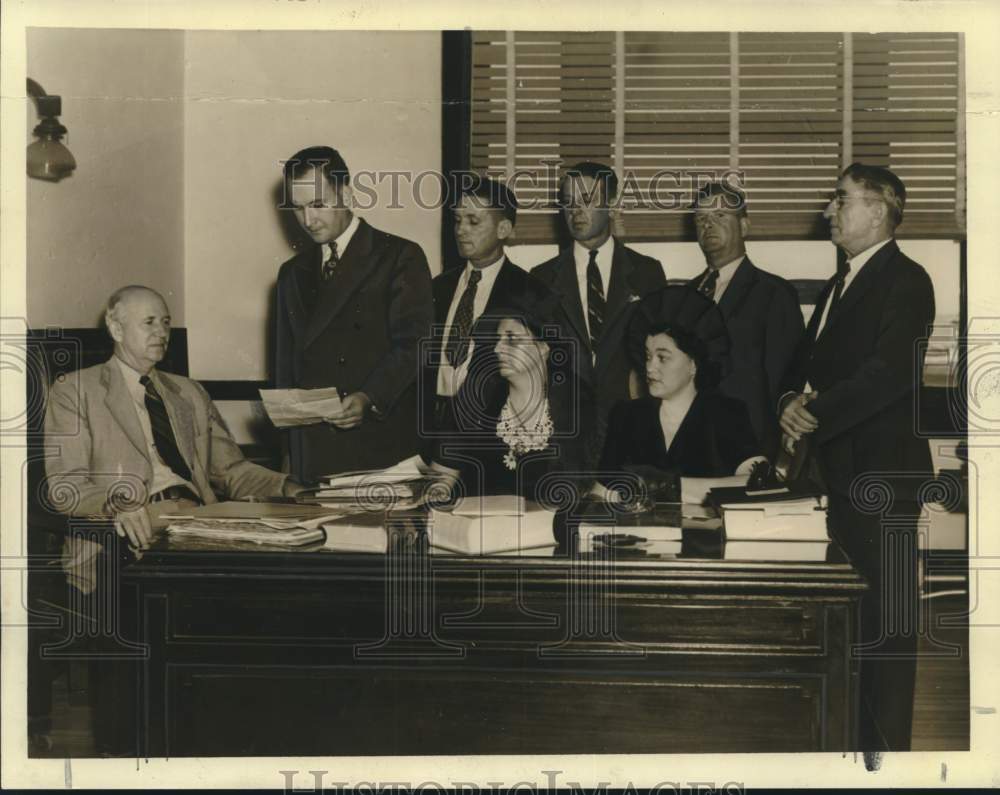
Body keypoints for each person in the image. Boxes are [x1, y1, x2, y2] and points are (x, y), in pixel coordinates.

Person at [42, 285, 302, 753]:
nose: (161, 331)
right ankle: (135, 742)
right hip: (124, 530)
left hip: (198, 521)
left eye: (165, 322)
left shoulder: (188, 392)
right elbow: (65, 487)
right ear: (116, 328)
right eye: (149, 323)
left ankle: (231, 734)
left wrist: (290, 487)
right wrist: (122, 502)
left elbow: (232, 471)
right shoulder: (75, 391)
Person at [779, 163, 936, 751]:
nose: (829, 210)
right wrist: (789, 402)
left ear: (879, 209)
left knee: (887, 631)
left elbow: (888, 374)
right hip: (834, 479)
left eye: (840, 199)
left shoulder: (907, 280)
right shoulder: (838, 283)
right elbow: (803, 370)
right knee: (846, 624)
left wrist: (812, 412)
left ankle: (885, 759)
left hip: (883, 482)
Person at [275, 145, 433, 481]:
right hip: (312, 455)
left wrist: (368, 396)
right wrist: (288, 458)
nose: (308, 220)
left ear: (346, 192)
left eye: (318, 204)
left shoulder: (399, 256)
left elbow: (414, 345)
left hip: (378, 447)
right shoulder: (291, 273)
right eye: (298, 208)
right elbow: (285, 369)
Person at [532, 161, 666, 464]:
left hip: (629, 434)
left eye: (587, 201)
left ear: (613, 205)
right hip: (564, 440)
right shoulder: (541, 279)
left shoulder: (646, 273)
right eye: (568, 203)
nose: (575, 211)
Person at [595, 286, 764, 505]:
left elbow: (757, 481)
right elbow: (602, 492)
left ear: (694, 364)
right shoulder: (626, 415)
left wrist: (668, 486)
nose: (650, 368)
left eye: (662, 358)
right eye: (648, 356)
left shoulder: (726, 413)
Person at [423, 177, 551, 451]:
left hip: (486, 432)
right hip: (430, 423)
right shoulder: (437, 287)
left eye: (473, 221)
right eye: (457, 220)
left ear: (504, 228)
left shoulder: (529, 292)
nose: (460, 230)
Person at [428, 289, 589, 502]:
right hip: (478, 529)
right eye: (498, 338)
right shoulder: (476, 394)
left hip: (548, 531)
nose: (497, 348)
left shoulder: (576, 402)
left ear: (543, 347)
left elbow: (581, 490)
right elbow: (440, 479)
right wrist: (438, 495)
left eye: (511, 338)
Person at [689, 181, 804, 453]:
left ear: (744, 226)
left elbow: (785, 380)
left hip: (747, 446)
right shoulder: (686, 295)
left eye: (719, 216)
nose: (708, 224)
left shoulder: (774, 293)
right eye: (701, 218)